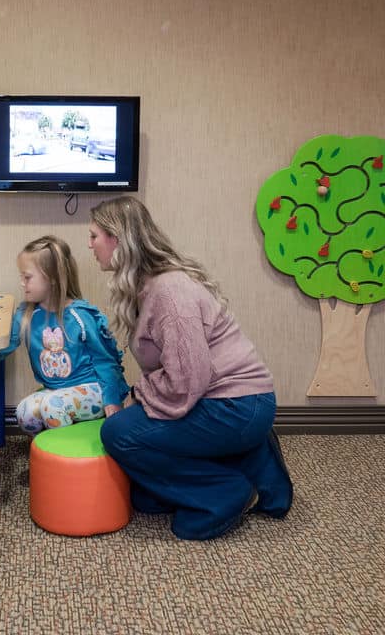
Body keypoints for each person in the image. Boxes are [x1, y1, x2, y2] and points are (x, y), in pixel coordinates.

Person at [88, 196, 293, 541]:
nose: (90, 245)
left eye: (94, 235)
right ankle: (253, 461)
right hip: (226, 401)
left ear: (118, 239)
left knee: (118, 433)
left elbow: (187, 380)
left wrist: (136, 398)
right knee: (145, 499)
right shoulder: (149, 286)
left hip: (234, 406)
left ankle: (226, 492)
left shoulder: (169, 292)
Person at [0, 235, 129, 434]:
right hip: (56, 392)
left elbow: (106, 361)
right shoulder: (26, 316)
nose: (22, 283)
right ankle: (49, 454)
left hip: (94, 390)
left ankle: (66, 456)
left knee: (52, 406)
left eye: (27, 277)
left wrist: (112, 398)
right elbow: (1, 348)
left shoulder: (81, 316)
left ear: (51, 277)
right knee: (24, 412)